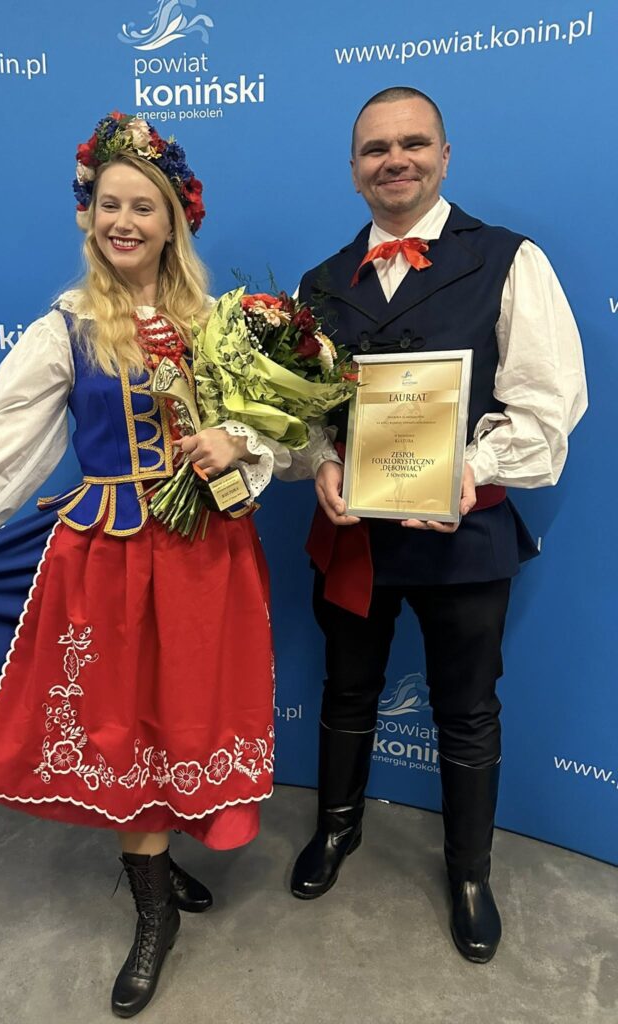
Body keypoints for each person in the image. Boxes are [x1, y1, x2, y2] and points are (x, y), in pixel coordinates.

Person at [0, 113, 278, 1017]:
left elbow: (279, 436)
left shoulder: (222, 325)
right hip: (113, 560)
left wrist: (240, 442)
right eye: (107, 204)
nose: (123, 221)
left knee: (183, 714)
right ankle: (156, 908)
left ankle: (159, 862)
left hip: (208, 554)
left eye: (143, 207)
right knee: (125, 723)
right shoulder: (69, 328)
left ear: (174, 220)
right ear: (88, 214)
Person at [288, 87, 587, 963]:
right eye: (376, 149)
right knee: (347, 691)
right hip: (356, 535)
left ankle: (469, 873)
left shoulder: (509, 260)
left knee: (466, 709)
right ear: (354, 170)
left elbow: (549, 405)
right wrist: (323, 462)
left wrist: (473, 468)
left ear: (445, 156)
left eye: (413, 143)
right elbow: (304, 418)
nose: (396, 160)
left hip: (465, 535)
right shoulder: (317, 284)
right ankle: (335, 828)